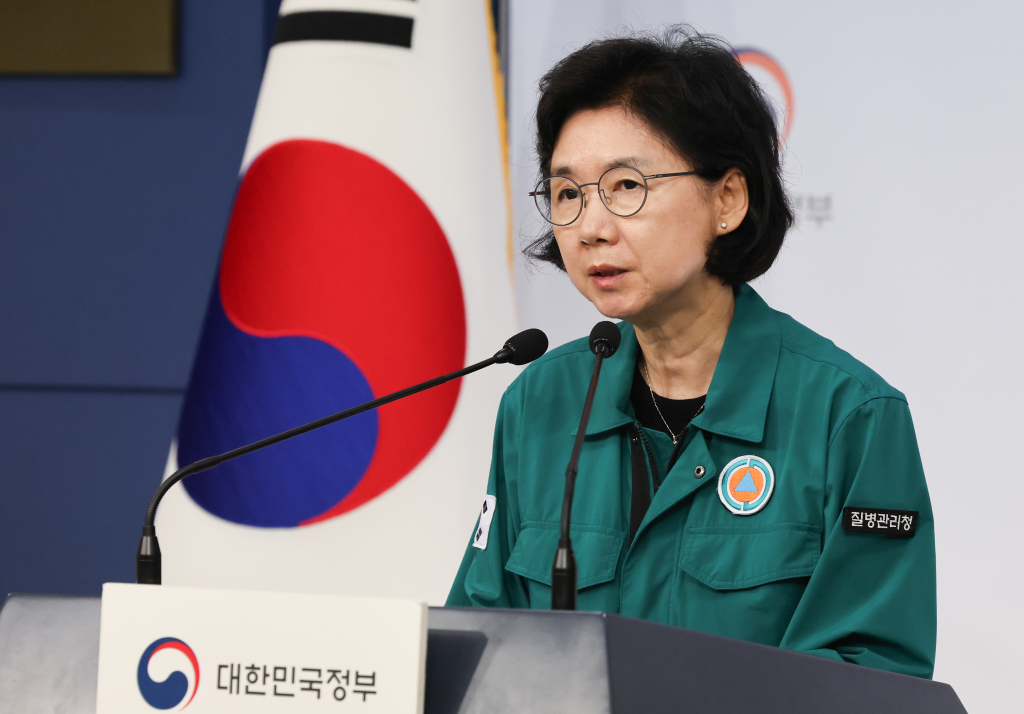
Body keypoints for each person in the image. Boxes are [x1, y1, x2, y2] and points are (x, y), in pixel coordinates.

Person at [446, 28, 936, 679]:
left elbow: (869, 674)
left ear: (726, 199)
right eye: (568, 194)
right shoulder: (539, 403)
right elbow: (478, 642)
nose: (591, 227)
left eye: (626, 186)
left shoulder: (849, 417)